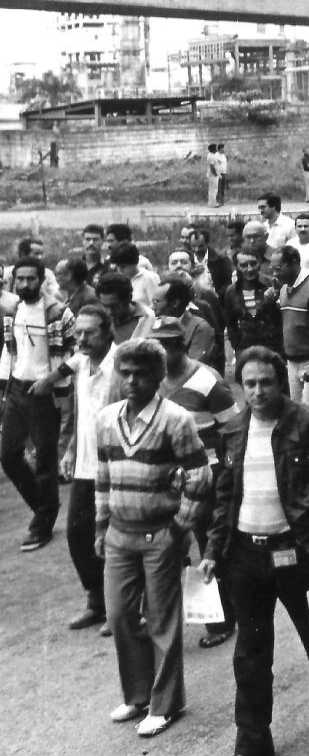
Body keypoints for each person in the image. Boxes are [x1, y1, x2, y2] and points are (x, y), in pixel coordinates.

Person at [197, 346, 309, 756]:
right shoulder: (232, 431)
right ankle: (253, 737)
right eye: (249, 383)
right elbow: (224, 498)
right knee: (251, 651)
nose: (257, 391)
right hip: (244, 556)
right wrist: (214, 549)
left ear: (279, 382)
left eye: (265, 382)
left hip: (295, 551)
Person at [94, 338, 212, 738]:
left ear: (157, 376)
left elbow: (200, 476)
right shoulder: (107, 419)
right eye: (125, 373)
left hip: (159, 532)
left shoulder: (175, 419)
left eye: (140, 373)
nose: (131, 381)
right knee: (120, 615)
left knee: (163, 620)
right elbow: (103, 477)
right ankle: (137, 694)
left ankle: (165, 704)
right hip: (118, 535)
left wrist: (179, 527)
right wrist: (100, 526)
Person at [148, 315, 238, 649]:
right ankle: (169, 614)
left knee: (207, 545)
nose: (155, 356)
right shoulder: (152, 381)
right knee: (171, 544)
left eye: (161, 348)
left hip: (207, 475)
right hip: (169, 478)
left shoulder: (207, 380)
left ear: (178, 346)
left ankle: (220, 619)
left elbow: (232, 429)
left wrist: (226, 474)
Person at [0, 255, 77, 551]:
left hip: (45, 393)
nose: (24, 284)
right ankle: (46, 508)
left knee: (45, 459)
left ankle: (42, 522)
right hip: (18, 389)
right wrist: (6, 388)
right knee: (8, 456)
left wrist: (51, 380)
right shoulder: (12, 310)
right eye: (19, 279)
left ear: (42, 280)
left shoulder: (59, 313)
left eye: (31, 279)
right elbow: (11, 352)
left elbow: (75, 354)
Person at [53, 305, 120, 629]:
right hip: (84, 466)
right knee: (78, 535)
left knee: (113, 538)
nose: (81, 338)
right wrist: (69, 449)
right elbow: (81, 413)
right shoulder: (80, 363)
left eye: (88, 332)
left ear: (107, 331)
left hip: (116, 468)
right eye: (77, 332)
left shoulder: (122, 365)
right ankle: (97, 602)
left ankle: (120, 608)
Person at [272, 245, 309, 410]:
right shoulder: (284, 289)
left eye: (278, 269)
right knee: (296, 413)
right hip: (292, 361)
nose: (275, 274)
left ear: (293, 263)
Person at [224, 248, 284, 357]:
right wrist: (237, 344)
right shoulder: (231, 291)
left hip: (272, 347)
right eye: (243, 265)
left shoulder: (272, 284)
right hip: (245, 348)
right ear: (236, 266)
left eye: (253, 264)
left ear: (260, 263)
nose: (249, 269)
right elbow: (230, 323)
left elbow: (282, 316)